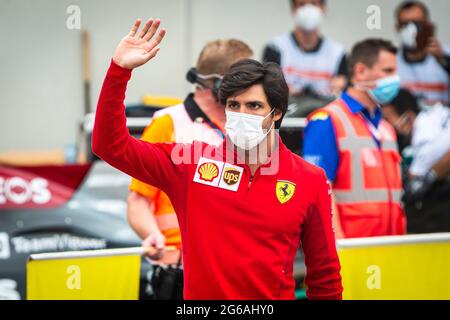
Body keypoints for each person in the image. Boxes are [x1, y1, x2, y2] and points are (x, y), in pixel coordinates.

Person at [92, 18, 342, 300]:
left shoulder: (309, 179)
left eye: (254, 106)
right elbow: (108, 145)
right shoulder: (190, 162)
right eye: (234, 105)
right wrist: (119, 72)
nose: (242, 113)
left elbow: (325, 277)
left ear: (278, 113)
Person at [127, 39, 253, 299]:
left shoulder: (245, 126)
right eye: (245, 82)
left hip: (233, 270)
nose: (252, 90)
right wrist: (153, 236)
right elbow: (138, 202)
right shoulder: (168, 124)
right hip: (180, 272)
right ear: (219, 84)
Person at [303, 39, 406, 239]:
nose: (395, 79)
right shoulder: (327, 120)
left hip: (392, 247)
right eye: (387, 71)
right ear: (360, 72)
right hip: (352, 248)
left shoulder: (386, 128)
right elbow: (318, 190)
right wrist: (338, 249)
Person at [263, 0, 347, 99]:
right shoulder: (276, 48)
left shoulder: (338, 53)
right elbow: (269, 88)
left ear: (324, 8)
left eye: (314, 4)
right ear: (293, 9)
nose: (308, 10)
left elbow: (343, 90)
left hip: (324, 112)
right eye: (302, 4)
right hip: (288, 112)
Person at [395, 1, 450, 106]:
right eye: (406, 24)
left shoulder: (446, 54)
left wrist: (444, 60)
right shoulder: (391, 62)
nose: (412, 29)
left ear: (428, 25)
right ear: (397, 28)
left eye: (417, 23)